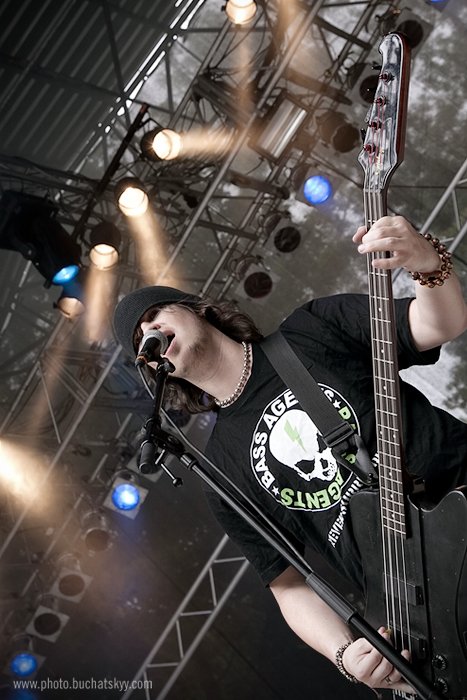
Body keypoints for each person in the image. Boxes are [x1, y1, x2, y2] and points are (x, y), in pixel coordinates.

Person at [113, 215, 467, 694]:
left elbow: (437, 324)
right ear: (159, 369)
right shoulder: (220, 472)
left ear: (197, 309)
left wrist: (427, 264)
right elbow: (288, 586)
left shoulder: (311, 330)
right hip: (423, 608)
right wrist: (344, 655)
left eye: (155, 314)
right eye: (141, 339)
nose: (151, 330)